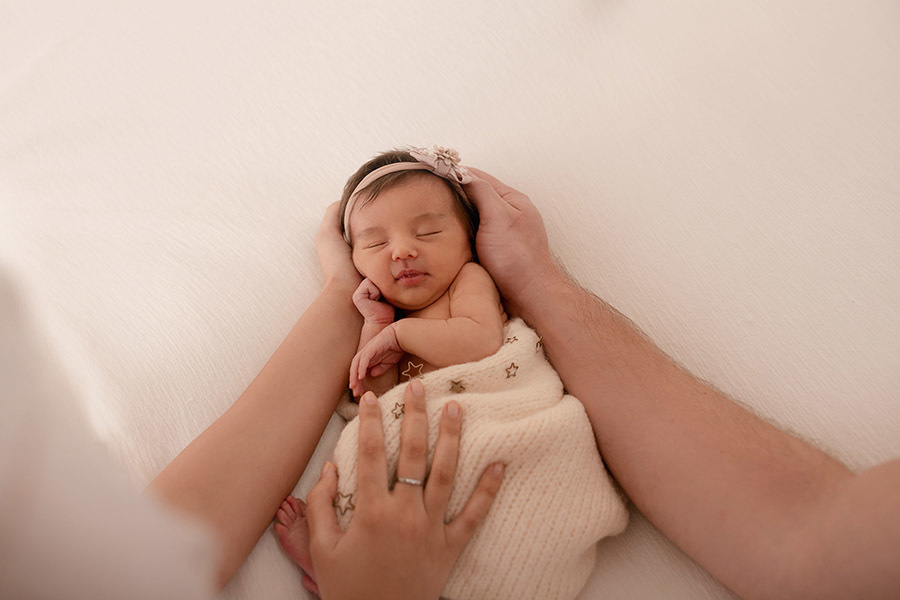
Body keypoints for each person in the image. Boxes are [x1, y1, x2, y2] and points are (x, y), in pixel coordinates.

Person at [273, 147, 628, 600]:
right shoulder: (386, 318)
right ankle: (341, 553)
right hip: (427, 442)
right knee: (369, 444)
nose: (402, 250)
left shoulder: (468, 281)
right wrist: (378, 328)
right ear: (355, 260)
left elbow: (481, 340)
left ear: (469, 239)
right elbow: (374, 399)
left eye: (429, 231)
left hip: (499, 420)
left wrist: (400, 337)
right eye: (376, 243)